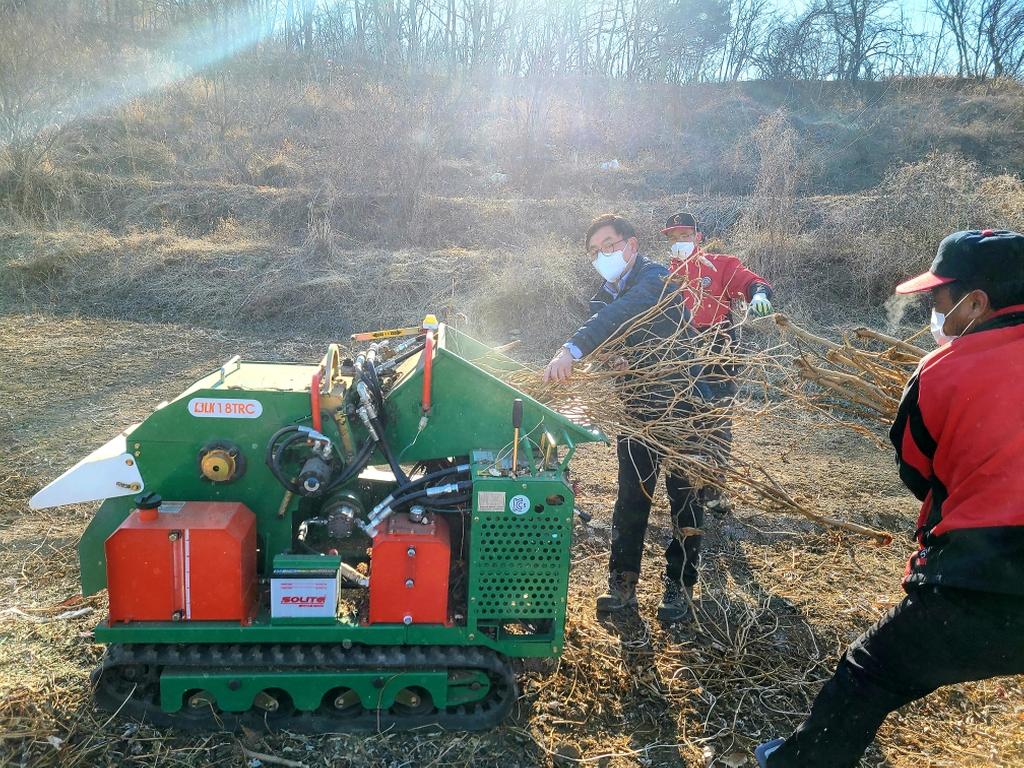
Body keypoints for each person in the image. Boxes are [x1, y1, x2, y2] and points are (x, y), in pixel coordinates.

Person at [755, 229, 1024, 768]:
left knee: (870, 671)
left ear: (976, 302)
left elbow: (918, 471)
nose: (932, 307)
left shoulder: (941, 371)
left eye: (937, 297)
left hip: (985, 582)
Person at [542, 213, 710, 624]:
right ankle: (622, 583)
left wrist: (572, 349)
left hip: (682, 404)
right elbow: (608, 336)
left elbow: (621, 315)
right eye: (596, 251)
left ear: (631, 245)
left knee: (685, 497)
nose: (604, 255)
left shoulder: (656, 277)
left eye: (610, 245)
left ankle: (679, 586)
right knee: (632, 495)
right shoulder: (602, 294)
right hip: (635, 408)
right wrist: (609, 359)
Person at [662, 212, 774, 511]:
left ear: (698, 237)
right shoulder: (663, 275)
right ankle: (683, 490)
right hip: (677, 354)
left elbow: (750, 281)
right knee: (679, 421)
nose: (679, 242)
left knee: (716, 423)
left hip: (717, 352)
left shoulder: (722, 265)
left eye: (685, 236)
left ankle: (714, 491)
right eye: (673, 238)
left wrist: (759, 294)